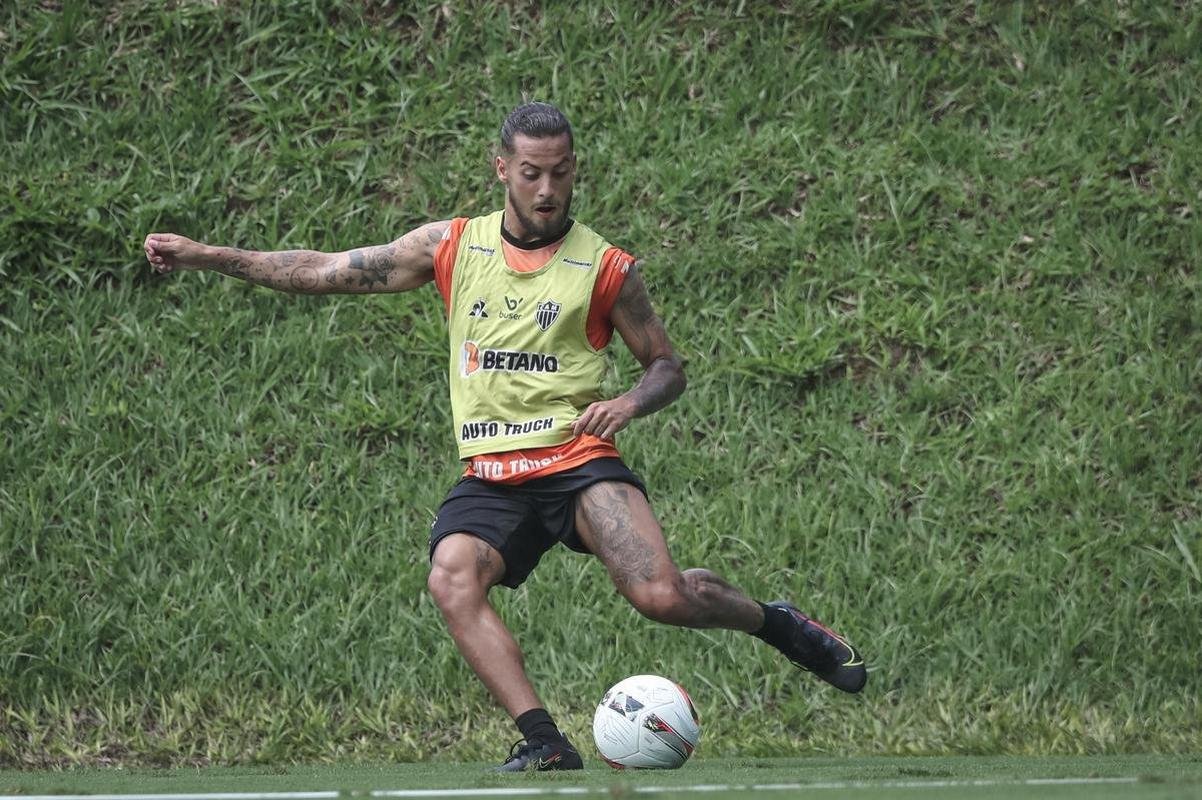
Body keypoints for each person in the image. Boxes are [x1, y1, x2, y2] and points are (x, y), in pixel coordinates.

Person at [144, 101, 868, 772]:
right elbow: (322, 271)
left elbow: (667, 366)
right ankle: (545, 743)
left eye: (559, 172)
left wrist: (627, 402)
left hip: (577, 460)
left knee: (662, 597)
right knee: (451, 576)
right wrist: (207, 254)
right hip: (493, 471)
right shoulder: (452, 246)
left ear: (573, 168)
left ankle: (777, 625)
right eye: (530, 173)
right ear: (502, 170)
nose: (546, 188)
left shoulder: (607, 268)